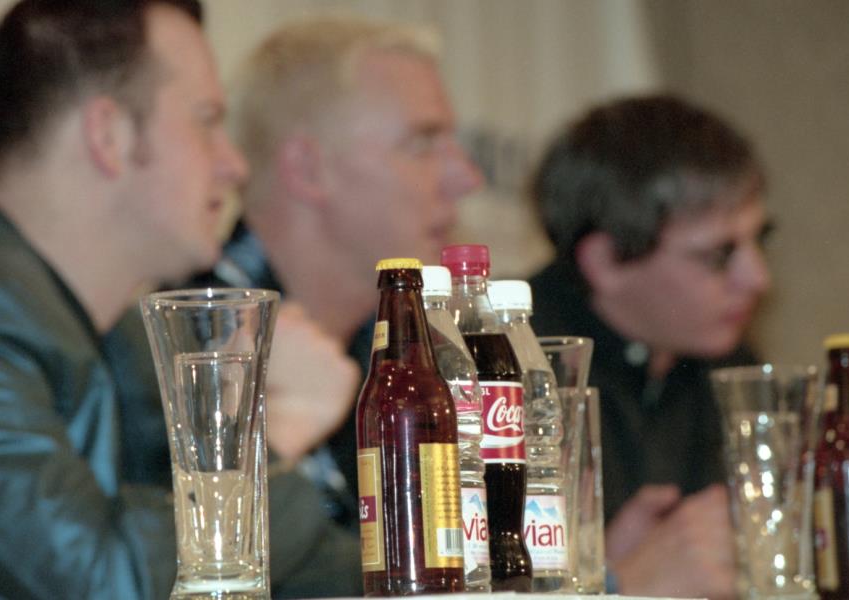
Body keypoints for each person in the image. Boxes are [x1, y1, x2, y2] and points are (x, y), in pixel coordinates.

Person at [0, 0, 334, 597]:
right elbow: (106, 581)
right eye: (206, 120)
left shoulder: (107, 332)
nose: (233, 166)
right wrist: (270, 434)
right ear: (109, 136)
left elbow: (301, 565)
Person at [105, 14, 485, 597]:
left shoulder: (402, 352)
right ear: (308, 169)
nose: (467, 177)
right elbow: (142, 578)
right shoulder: (172, 354)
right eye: (422, 143)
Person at [527, 94, 772, 599]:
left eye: (759, 240)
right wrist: (611, 581)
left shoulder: (729, 360)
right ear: (606, 262)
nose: (758, 278)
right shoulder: (501, 367)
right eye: (719, 255)